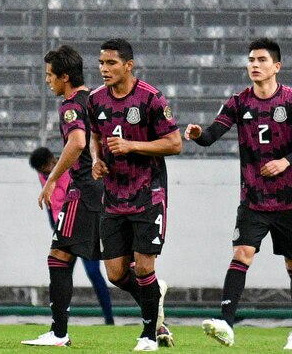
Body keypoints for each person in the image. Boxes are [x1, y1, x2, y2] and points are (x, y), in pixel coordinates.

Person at [185, 38, 292, 351]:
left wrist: (284, 162)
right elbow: (212, 135)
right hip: (253, 200)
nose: (254, 65)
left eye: (261, 60)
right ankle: (226, 324)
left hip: (290, 200)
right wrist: (197, 135)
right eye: (250, 60)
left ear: (277, 66)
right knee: (241, 253)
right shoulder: (238, 102)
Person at [86, 38, 181, 351]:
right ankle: (156, 306)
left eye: (111, 63)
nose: (104, 69)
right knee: (115, 273)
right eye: (101, 63)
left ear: (128, 65)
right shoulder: (96, 99)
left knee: (143, 267)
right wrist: (98, 160)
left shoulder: (150, 98)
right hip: (113, 196)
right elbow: (95, 136)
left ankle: (148, 335)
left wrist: (132, 145)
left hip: (147, 193)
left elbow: (174, 143)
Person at [22, 45, 114, 348]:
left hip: (84, 191)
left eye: (50, 76)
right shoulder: (97, 99)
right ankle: (155, 317)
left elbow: (76, 142)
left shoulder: (71, 105)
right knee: (119, 272)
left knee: (58, 258)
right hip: (106, 190)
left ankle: (59, 333)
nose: (48, 81)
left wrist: (51, 180)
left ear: (64, 77)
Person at [24, 148, 115, 341]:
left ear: (53, 160)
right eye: (43, 173)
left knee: (95, 273)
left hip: (81, 224)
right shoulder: (46, 176)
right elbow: (53, 206)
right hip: (63, 227)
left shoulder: (70, 168)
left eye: (48, 170)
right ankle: (59, 327)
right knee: (60, 273)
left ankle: (109, 319)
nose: (47, 175)